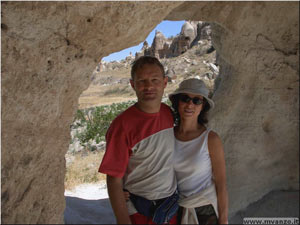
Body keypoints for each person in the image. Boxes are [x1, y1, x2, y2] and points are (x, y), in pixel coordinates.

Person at [98, 56, 178, 224]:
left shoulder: (168, 113)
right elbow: (113, 179)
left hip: (170, 208)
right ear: (133, 85)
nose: (148, 86)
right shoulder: (122, 125)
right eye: (141, 81)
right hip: (140, 212)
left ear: (164, 83)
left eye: (154, 80)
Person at [169, 78, 228, 224]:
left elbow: (221, 184)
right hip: (176, 208)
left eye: (197, 100)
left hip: (205, 210)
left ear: (203, 106)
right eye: (185, 98)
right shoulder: (167, 136)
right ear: (178, 102)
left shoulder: (211, 139)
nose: (190, 104)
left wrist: (224, 220)